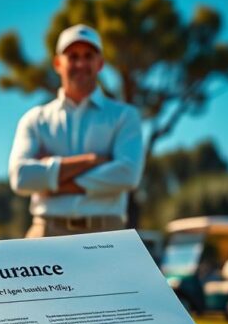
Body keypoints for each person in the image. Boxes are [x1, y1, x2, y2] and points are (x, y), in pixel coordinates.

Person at [9, 24, 145, 238]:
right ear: (57, 63)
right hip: (45, 231)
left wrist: (52, 181)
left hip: (107, 233)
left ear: (100, 63)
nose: (81, 63)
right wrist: (91, 161)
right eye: (72, 56)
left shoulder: (125, 116)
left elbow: (127, 175)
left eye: (88, 56)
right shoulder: (34, 119)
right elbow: (21, 177)